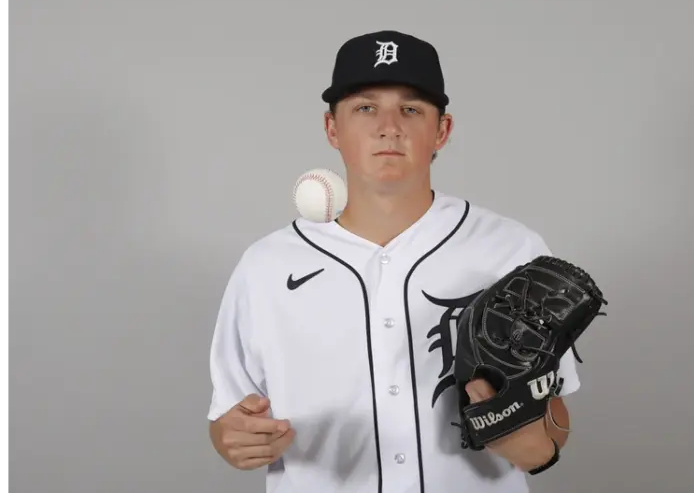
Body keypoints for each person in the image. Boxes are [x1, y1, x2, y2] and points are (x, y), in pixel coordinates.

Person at [207, 30, 581, 493]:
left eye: (411, 109)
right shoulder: (265, 265)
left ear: (441, 130)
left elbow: (555, 417)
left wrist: (539, 445)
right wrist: (232, 439)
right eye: (366, 107)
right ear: (332, 129)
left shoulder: (508, 248)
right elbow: (228, 415)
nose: (389, 126)